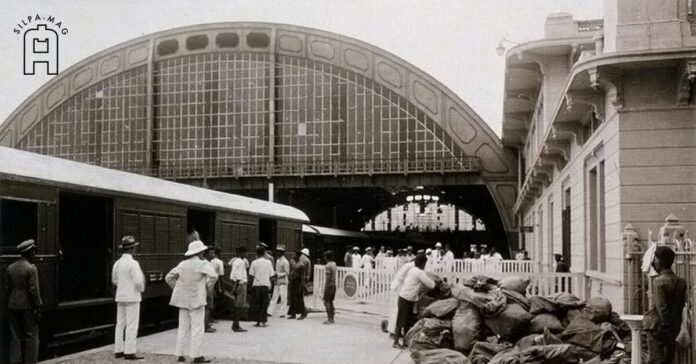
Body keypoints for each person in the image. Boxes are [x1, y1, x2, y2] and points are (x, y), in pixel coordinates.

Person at [165, 240, 218, 364]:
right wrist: (207, 287)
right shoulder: (202, 264)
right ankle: (196, 355)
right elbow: (214, 276)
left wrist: (177, 288)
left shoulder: (182, 264)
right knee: (197, 328)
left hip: (182, 300)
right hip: (197, 299)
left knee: (182, 327)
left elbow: (168, 277)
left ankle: (179, 354)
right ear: (200, 252)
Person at [643, 246, 687, 364]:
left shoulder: (658, 281)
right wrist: (673, 329)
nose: (654, 263)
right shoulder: (681, 282)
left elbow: (662, 308)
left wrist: (666, 328)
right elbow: (680, 306)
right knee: (668, 360)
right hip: (674, 327)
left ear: (660, 261)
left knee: (655, 360)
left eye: (655, 259)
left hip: (658, 327)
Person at [5, 239, 41, 364]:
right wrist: (37, 307)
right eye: (33, 251)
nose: (35, 253)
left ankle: (15, 361)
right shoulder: (31, 268)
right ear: (29, 252)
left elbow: (6, 289)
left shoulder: (10, 268)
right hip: (28, 307)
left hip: (12, 305)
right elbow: (34, 291)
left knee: (15, 337)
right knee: (31, 337)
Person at [112, 236, 146, 360]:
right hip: (132, 297)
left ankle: (118, 350)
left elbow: (114, 280)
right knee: (132, 325)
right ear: (132, 249)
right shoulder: (133, 263)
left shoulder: (117, 263)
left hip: (120, 297)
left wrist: (123, 285)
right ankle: (130, 351)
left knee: (120, 324)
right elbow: (138, 281)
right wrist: (142, 289)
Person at [393, 254, 436, 348]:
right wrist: (436, 282)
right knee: (402, 321)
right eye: (425, 263)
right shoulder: (419, 272)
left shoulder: (412, 270)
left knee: (406, 322)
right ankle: (396, 343)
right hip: (406, 298)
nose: (425, 265)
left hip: (406, 297)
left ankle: (404, 342)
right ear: (422, 263)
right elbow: (431, 284)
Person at [387, 257, 415, 337]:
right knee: (396, 311)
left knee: (397, 311)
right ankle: (393, 332)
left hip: (400, 287)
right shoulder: (410, 266)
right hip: (399, 288)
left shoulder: (409, 266)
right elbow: (400, 278)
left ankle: (396, 332)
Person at [249, 246, 275, 327]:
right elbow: (271, 275)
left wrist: (249, 285)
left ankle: (257, 321)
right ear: (264, 253)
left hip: (256, 285)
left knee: (256, 303)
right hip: (265, 285)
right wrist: (270, 285)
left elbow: (251, 275)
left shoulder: (254, 262)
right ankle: (263, 321)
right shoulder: (268, 262)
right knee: (264, 303)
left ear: (257, 253)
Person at [228, 247, 249, 332]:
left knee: (237, 305)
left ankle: (235, 324)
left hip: (236, 283)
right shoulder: (241, 262)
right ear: (241, 253)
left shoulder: (235, 261)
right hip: (240, 284)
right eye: (245, 252)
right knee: (239, 306)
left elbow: (233, 275)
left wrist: (233, 286)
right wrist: (236, 286)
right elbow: (238, 275)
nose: (246, 254)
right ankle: (236, 324)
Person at [267, 244, 289, 318]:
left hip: (283, 282)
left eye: (279, 252)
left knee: (283, 298)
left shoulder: (285, 262)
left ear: (283, 252)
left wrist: (278, 274)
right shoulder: (278, 260)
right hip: (277, 282)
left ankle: (282, 313)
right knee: (274, 297)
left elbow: (287, 272)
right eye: (277, 251)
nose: (278, 253)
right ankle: (269, 311)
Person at [287, 251, 306, 319]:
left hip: (298, 281)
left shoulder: (301, 265)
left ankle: (303, 313)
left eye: (294, 254)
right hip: (293, 281)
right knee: (292, 298)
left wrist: (301, 286)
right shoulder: (292, 262)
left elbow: (302, 276)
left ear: (298, 256)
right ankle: (293, 314)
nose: (292, 256)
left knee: (299, 298)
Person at [203, 248, 218, 333]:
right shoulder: (207, 264)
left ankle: (206, 324)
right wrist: (209, 288)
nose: (214, 255)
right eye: (212, 253)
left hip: (207, 288)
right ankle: (206, 326)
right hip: (207, 288)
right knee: (208, 307)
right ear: (207, 254)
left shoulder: (206, 263)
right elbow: (213, 277)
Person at [209, 247, 225, 320]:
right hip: (215, 282)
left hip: (208, 282)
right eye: (221, 253)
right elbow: (221, 276)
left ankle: (210, 318)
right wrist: (221, 287)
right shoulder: (219, 262)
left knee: (210, 300)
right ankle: (211, 317)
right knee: (215, 300)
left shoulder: (210, 261)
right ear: (218, 254)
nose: (223, 254)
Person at [323, 250, 337, 324]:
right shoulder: (334, 264)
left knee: (326, 301)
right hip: (334, 284)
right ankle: (332, 318)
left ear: (326, 257)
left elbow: (328, 277)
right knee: (330, 301)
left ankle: (329, 318)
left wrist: (326, 285)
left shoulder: (328, 265)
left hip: (329, 285)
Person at [299, 248, 312, 319]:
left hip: (297, 279)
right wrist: (307, 279)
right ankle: (303, 310)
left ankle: (303, 310)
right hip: (303, 279)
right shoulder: (307, 260)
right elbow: (308, 272)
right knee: (301, 295)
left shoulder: (298, 258)